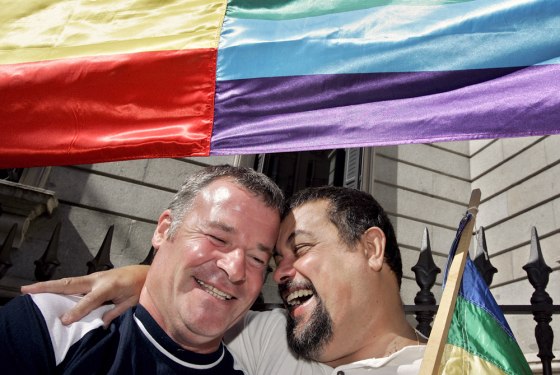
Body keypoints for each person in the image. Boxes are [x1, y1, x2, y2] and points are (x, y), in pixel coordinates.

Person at [23, 185, 426, 374]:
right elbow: (201, 302)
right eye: (272, 260)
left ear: (371, 249)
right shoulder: (271, 340)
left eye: (300, 250)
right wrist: (149, 274)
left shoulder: (459, 366)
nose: (280, 274)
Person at [0, 164, 284, 374]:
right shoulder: (55, 325)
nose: (236, 270)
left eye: (258, 259)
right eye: (218, 238)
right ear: (163, 230)